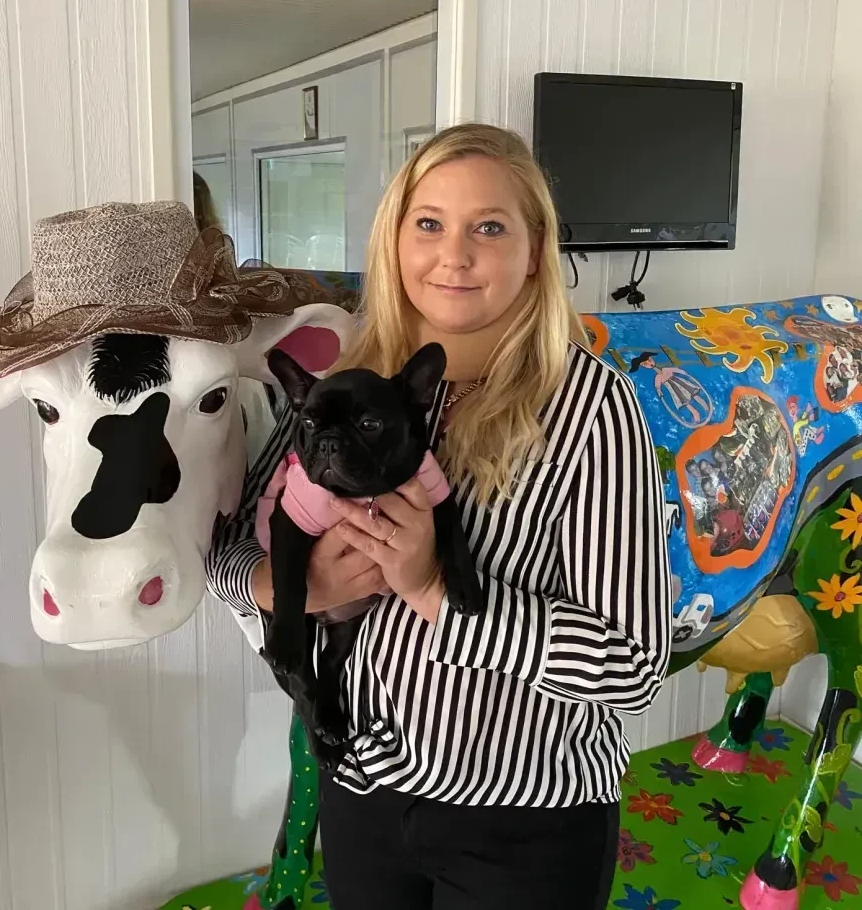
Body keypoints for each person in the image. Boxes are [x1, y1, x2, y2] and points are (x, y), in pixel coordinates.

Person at [206, 123, 671, 909]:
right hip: (361, 789)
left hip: (525, 819)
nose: (454, 255)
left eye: (489, 228)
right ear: (394, 240)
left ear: (535, 251)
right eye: (429, 223)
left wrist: (435, 591)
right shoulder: (344, 382)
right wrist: (290, 587)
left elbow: (632, 665)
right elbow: (223, 552)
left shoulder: (593, 411)